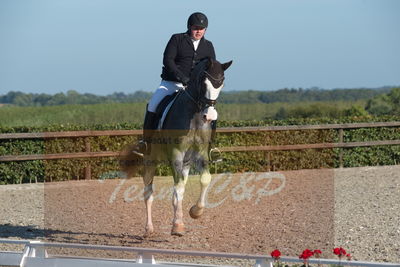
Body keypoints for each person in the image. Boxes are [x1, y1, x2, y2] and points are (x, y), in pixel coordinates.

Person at [138, 12, 216, 155]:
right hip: (171, 83)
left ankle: (211, 147)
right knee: (153, 104)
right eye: (195, 28)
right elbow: (168, 61)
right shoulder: (177, 39)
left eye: (202, 28)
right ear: (189, 27)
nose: (198, 31)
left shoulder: (208, 46)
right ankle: (145, 143)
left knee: (212, 112)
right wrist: (182, 78)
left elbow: (211, 68)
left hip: (194, 90)